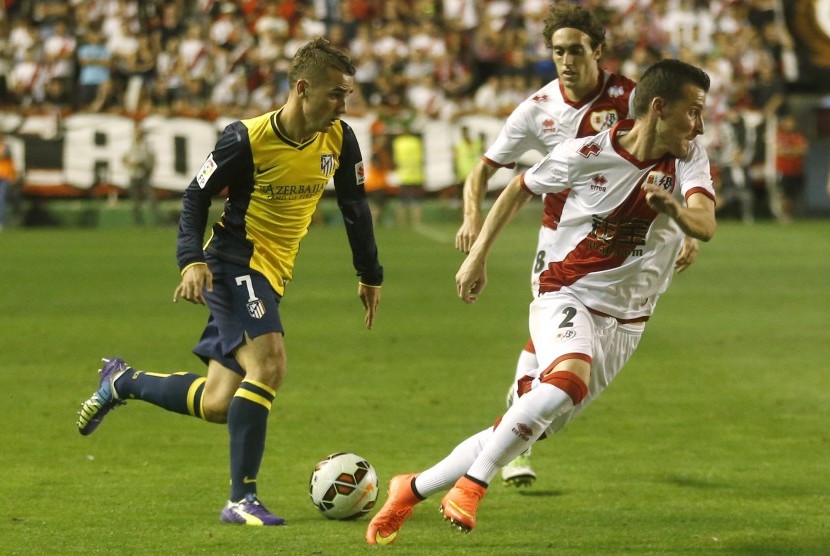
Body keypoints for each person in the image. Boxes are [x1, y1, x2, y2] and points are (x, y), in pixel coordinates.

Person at [366, 58, 716, 545]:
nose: (699, 124)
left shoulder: (689, 158)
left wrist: (675, 209)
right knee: (567, 378)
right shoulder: (587, 153)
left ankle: (412, 487)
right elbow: (516, 187)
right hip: (566, 291)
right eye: (694, 111)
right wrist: (477, 258)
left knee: (529, 423)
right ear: (659, 107)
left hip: (630, 320)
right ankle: (472, 486)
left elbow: (706, 222)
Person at [76, 37, 384, 526]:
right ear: (302, 88)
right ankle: (241, 499)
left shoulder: (340, 139)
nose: (344, 105)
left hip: (272, 273)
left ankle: (123, 381)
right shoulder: (245, 138)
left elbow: (354, 208)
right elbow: (195, 197)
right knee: (270, 364)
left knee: (220, 402)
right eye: (335, 94)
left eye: (346, 94)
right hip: (235, 262)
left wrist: (369, 273)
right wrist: (190, 260)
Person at [453, 2, 699, 486]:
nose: (566, 61)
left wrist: (686, 230)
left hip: (626, 237)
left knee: (561, 360)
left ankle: (512, 427)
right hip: (561, 238)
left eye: (576, 51)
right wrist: (473, 221)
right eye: (558, 51)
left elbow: (681, 153)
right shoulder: (536, 110)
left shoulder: (635, 97)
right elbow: (486, 169)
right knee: (561, 353)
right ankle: (510, 450)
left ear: (597, 51)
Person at [774, 113, 809, 222]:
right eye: (788, 122)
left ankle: (797, 214)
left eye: (792, 122)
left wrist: (788, 151)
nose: (790, 124)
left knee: (796, 194)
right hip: (784, 171)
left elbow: (803, 150)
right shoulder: (779, 136)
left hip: (797, 170)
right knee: (785, 194)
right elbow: (778, 151)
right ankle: (785, 215)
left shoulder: (798, 136)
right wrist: (793, 151)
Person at [122, 121, 157, 226]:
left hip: (144, 174)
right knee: (135, 202)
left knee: (151, 199)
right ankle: (138, 223)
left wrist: (148, 167)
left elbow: (151, 158)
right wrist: (130, 164)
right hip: (133, 175)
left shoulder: (146, 144)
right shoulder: (129, 144)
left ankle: (156, 221)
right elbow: (123, 158)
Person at [0, 132, 18, 231]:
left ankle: (1, 222)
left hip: (4, 176)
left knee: (1, 200)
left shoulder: (6, 148)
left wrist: (13, 175)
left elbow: (5, 158)